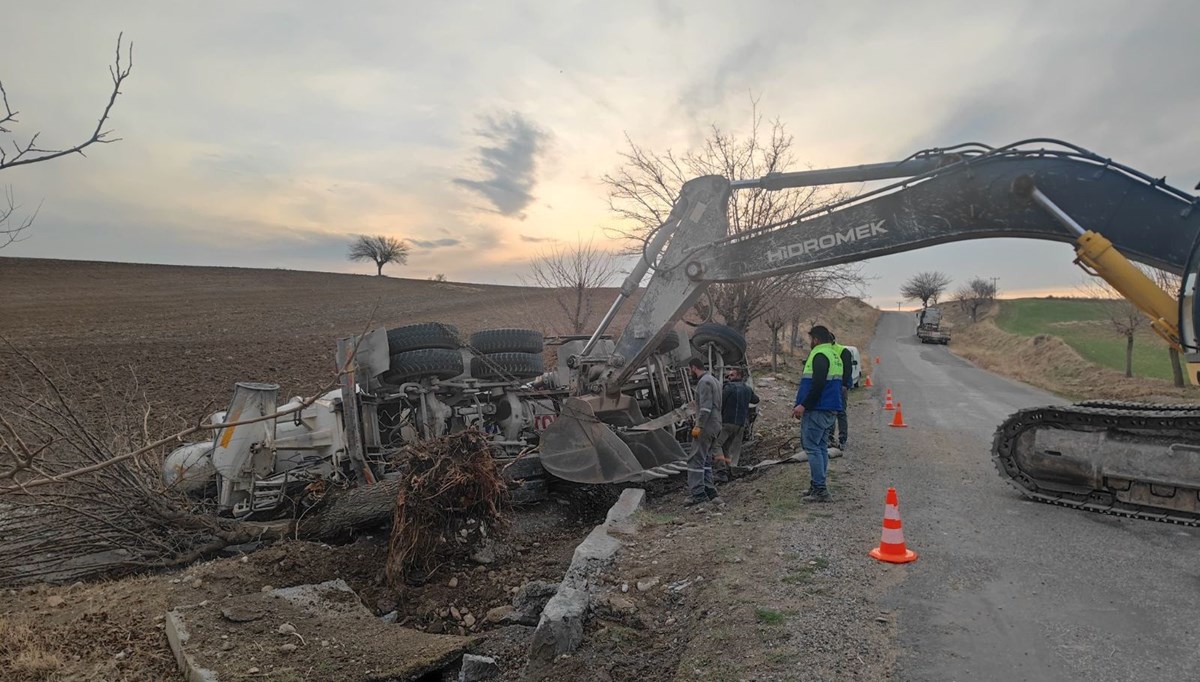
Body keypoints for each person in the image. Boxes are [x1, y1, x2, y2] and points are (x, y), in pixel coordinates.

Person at [792, 325, 844, 503]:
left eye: (811, 340)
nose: (810, 343)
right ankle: (818, 485)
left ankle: (820, 490)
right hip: (829, 407)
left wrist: (803, 405)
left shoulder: (820, 354)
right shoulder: (834, 354)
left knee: (812, 448)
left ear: (815, 339)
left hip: (817, 409)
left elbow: (817, 384)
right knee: (821, 447)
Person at [686, 357, 723, 506]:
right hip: (716, 424)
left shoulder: (704, 382)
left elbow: (706, 408)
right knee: (706, 460)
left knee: (695, 459)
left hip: (706, 426)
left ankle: (698, 494)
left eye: (689, 370)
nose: (690, 372)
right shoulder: (714, 380)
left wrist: (698, 425)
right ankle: (710, 491)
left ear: (694, 367)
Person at [714, 366, 759, 482]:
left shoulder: (728, 388)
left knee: (716, 445)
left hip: (727, 423)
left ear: (739, 376)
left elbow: (720, 402)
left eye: (731, 375)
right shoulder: (747, 389)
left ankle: (721, 471)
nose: (729, 377)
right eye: (728, 375)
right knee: (728, 448)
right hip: (740, 424)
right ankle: (730, 469)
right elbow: (756, 400)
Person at [827, 334, 854, 455]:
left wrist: (843, 386)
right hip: (831, 387)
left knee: (839, 412)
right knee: (832, 412)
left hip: (838, 387)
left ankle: (841, 439)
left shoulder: (842, 351)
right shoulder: (829, 350)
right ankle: (830, 437)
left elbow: (847, 371)